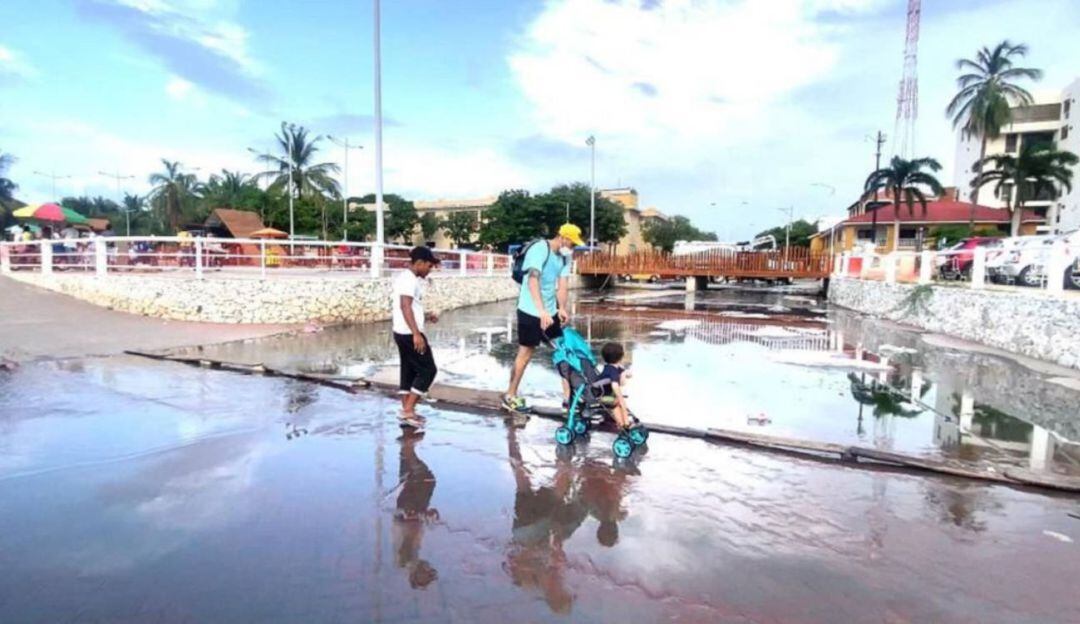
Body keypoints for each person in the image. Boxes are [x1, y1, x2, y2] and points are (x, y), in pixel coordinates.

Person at [502, 223, 585, 415]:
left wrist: (561, 308)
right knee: (526, 353)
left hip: (549, 310)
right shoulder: (540, 249)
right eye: (571, 243)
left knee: (563, 351)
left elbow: (563, 284)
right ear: (562, 237)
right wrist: (541, 312)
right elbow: (532, 280)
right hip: (530, 310)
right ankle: (510, 395)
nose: (572, 248)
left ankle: (569, 398)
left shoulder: (566, 255)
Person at [392, 246, 441, 430]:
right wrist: (416, 333)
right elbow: (405, 306)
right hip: (408, 334)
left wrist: (426, 317)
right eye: (428, 266)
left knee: (409, 371)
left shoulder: (409, 279)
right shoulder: (408, 280)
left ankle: (407, 410)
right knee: (428, 370)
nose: (430, 269)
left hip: (402, 331)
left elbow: (411, 308)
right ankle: (408, 411)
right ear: (419, 263)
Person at [598, 342, 634, 432]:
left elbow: (627, 373)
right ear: (620, 357)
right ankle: (623, 424)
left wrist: (625, 373)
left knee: (618, 403)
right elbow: (615, 385)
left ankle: (623, 423)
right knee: (617, 403)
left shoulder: (613, 367)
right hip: (603, 396)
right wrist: (620, 396)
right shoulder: (612, 370)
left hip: (608, 394)